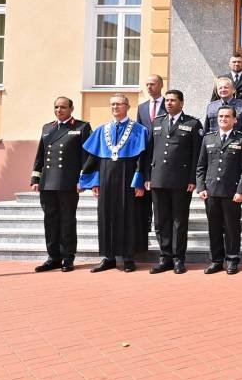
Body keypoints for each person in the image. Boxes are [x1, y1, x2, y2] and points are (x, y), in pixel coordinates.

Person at [79, 94, 148, 273]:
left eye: (118, 104)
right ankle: (108, 257)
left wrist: (139, 182)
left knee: (129, 216)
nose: (115, 107)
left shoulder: (139, 130)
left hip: (128, 179)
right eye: (112, 104)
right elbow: (93, 158)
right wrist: (94, 182)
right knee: (106, 216)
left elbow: (143, 158)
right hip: (107, 178)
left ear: (127, 106)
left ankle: (128, 257)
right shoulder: (102, 130)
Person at [30, 96, 92, 272]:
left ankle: (67, 257)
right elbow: (40, 155)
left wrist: (83, 179)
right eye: (56, 107)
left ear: (71, 109)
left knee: (67, 220)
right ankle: (53, 257)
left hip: (68, 183)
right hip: (47, 182)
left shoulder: (81, 127)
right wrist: (35, 178)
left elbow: (86, 157)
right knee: (50, 221)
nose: (59, 110)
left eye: (63, 107)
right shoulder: (47, 128)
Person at [145, 90, 202, 275]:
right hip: (158, 179)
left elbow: (197, 155)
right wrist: (147, 177)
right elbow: (149, 152)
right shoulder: (157, 122)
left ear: (181, 103)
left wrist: (193, 179)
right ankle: (165, 257)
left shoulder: (192, 124)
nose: (169, 103)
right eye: (167, 100)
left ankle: (178, 259)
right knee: (161, 221)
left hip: (181, 180)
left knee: (179, 221)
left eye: (173, 100)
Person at [196, 105, 242, 275]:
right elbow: (201, 166)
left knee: (232, 227)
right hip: (211, 190)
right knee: (214, 227)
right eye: (220, 116)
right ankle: (216, 260)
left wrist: (241, 190)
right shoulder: (208, 138)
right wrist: (201, 187)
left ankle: (232, 259)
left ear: (235, 120)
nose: (223, 119)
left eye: (227, 116)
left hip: (231, 192)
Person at [137, 74, 164, 235]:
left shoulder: (168, 104)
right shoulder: (142, 107)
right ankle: (146, 224)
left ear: (160, 85)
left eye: (152, 84)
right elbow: (140, 132)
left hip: (162, 152)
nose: (149, 87)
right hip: (147, 154)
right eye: (147, 84)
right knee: (146, 192)